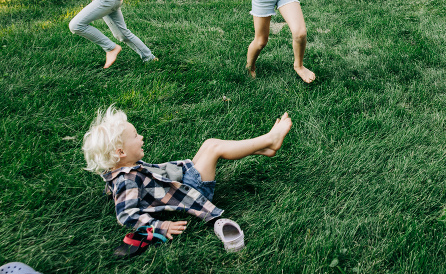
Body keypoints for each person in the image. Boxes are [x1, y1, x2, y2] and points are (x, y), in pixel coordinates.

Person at [82, 105, 292, 247]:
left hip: (181, 183)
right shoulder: (126, 180)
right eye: (136, 136)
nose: (141, 137)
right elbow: (127, 215)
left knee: (210, 144)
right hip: (194, 194)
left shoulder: (120, 169)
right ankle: (269, 139)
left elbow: (114, 188)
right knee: (214, 148)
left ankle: (265, 146)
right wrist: (160, 226)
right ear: (121, 153)